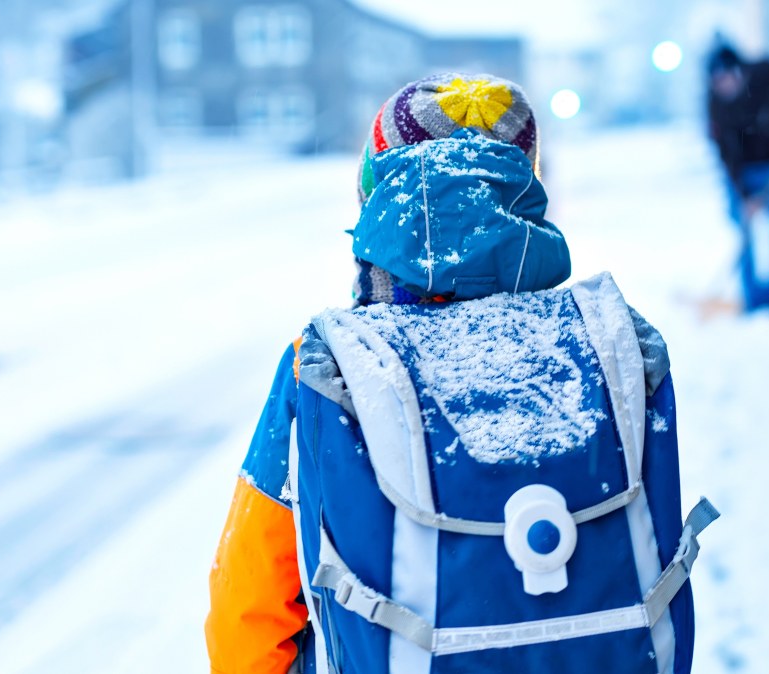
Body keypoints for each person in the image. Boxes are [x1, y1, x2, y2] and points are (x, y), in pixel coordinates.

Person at [205, 73, 717, 674]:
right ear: (523, 189)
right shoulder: (612, 343)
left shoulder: (327, 369)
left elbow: (249, 609)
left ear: (378, 196)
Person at [706, 44, 769, 313]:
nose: (723, 88)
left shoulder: (765, 73)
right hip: (739, 171)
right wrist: (744, 197)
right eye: (717, 84)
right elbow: (723, 152)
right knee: (744, 230)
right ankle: (752, 298)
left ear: (738, 72)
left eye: (726, 80)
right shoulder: (715, 103)